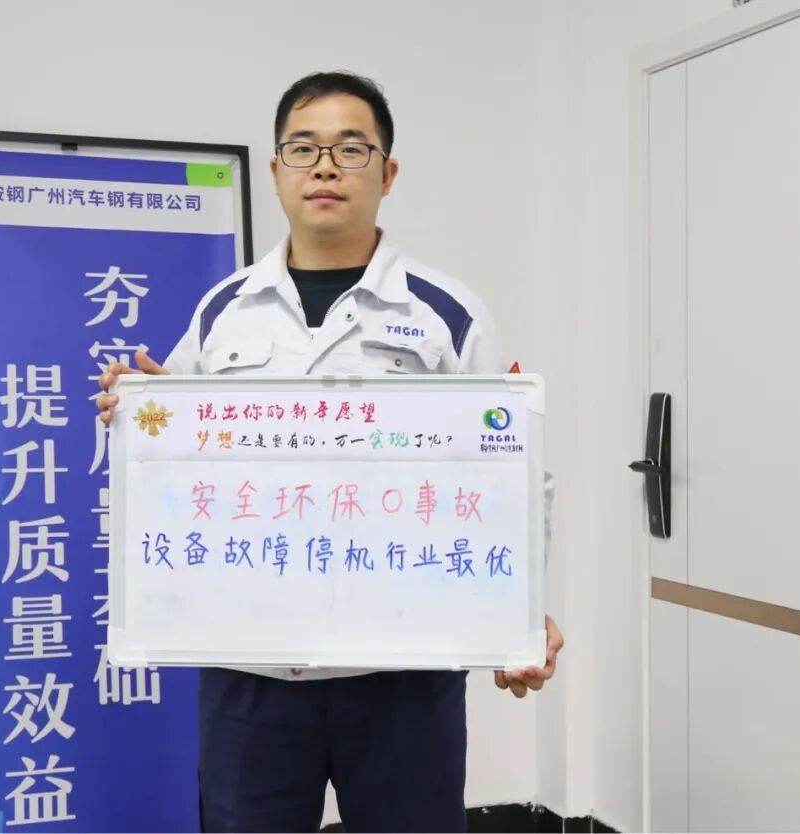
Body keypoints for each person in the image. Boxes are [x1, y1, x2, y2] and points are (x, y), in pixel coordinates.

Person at [97, 71, 564, 833]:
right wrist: (138, 413)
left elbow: (511, 471)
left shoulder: (445, 313)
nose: (324, 168)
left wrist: (520, 615)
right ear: (276, 169)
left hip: (403, 667)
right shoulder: (224, 311)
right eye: (303, 148)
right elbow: (176, 468)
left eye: (351, 149)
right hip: (251, 665)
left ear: (388, 173)